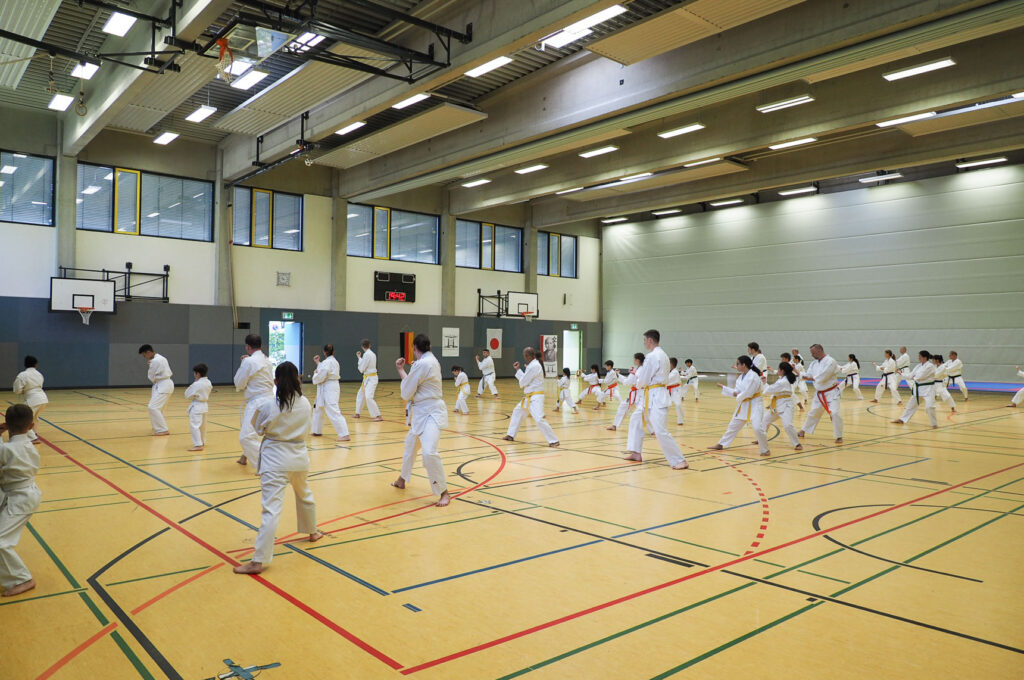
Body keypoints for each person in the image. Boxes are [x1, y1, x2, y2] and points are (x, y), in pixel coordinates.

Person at [233, 362, 323, 574]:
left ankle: (258, 561)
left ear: (275, 382)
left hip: (276, 461)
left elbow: (256, 428)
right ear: (298, 379)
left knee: (271, 510)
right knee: (305, 494)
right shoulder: (305, 403)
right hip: (299, 458)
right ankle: (312, 532)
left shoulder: (269, 405)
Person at [392, 335, 451, 506]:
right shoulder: (430, 361)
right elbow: (412, 385)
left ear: (414, 348)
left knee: (429, 452)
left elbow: (406, 392)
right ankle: (402, 479)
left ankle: (444, 492)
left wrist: (401, 370)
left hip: (431, 413)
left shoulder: (423, 364)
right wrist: (401, 369)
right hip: (421, 413)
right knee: (410, 446)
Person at [623, 330, 688, 469]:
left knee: (660, 430)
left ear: (650, 341)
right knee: (636, 419)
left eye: (645, 340)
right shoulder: (662, 354)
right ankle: (635, 452)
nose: (644, 343)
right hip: (650, 395)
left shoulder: (652, 356)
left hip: (656, 395)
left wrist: (638, 381)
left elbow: (645, 378)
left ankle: (679, 460)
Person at [0, 405, 41, 597]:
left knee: (0, 542)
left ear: (7, 424)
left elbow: (5, 453)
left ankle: (22, 579)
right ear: (31, 425)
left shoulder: (7, 450)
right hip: (23, 494)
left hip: (20, 499)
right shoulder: (27, 446)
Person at [503, 347, 560, 447]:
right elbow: (526, 380)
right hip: (530, 397)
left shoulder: (534, 366)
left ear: (527, 356)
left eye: (524, 355)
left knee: (538, 418)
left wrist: (518, 371)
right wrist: (518, 370)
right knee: (517, 411)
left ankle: (554, 440)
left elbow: (524, 381)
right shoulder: (533, 365)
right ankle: (511, 435)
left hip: (536, 397)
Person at [234, 334, 275, 467]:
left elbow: (239, 383)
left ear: (247, 346)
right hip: (270, 401)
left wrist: (243, 363)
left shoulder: (249, 362)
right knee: (254, 431)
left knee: (246, 437)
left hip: (257, 403)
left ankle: (264, 464)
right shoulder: (267, 360)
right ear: (260, 345)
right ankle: (244, 457)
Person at [710, 356, 765, 452]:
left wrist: (738, 396)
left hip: (755, 404)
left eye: (738, 364)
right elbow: (737, 391)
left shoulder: (753, 376)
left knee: (757, 427)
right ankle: (721, 444)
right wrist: (725, 388)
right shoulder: (741, 377)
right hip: (744, 404)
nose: (737, 366)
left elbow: (748, 392)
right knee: (733, 425)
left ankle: (765, 449)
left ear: (744, 365)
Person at [798, 344, 844, 443]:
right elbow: (808, 374)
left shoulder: (830, 361)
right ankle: (803, 430)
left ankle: (839, 436)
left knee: (835, 413)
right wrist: (797, 373)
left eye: (813, 353)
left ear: (820, 351)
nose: (812, 355)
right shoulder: (814, 363)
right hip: (819, 393)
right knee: (813, 412)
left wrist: (810, 378)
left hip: (832, 392)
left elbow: (823, 376)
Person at [757, 361, 803, 456]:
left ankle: (797, 443)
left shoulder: (783, 381)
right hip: (777, 405)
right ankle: (761, 439)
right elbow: (771, 390)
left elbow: (767, 391)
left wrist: (764, 383)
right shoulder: (782, 379)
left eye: (778, 369)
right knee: (765, 420)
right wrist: (765, 383)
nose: (777, 370)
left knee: (787, 425)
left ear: (782, 371)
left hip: (786, 406)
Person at [311, 344, 350, 443]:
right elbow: (324, 370)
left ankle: (344, 434)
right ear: (333, 352)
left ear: (324, 352)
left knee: (333, 409)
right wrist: (318, 363)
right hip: (327, 386)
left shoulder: (328, 362)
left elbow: (322, 375)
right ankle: (317, 431)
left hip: (329, 387)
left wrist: (315, 374)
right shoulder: (332, 362)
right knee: (318, 408)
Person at [892, 350, 938, 428]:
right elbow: (910, 375)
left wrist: (914, 377)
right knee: (910, 405)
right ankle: (902, 419)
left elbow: (920, 376)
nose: (918, 358)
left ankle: (934, 424)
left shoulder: (930, 366)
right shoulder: (918, 366)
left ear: (925, 357)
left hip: (928, 389)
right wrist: (901, 373)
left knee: (930, 407)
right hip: (919, 389)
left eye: (920, 356)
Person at [139, 344, 173, 436]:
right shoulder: (161, 358)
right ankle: (157, 427)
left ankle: (162, 429)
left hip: (163, 384)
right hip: (164, 383)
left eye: (144, 355)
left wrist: (151, 364)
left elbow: (151, 377)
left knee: (153, 407)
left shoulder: (155, 361)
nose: (145, 357)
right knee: (159, 408)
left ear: (148, 352)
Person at [12, 356, 47, 443]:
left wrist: (23, 390)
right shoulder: (39, 374)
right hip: (43, 399)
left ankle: (33, 438)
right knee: (35, 417)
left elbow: (16, 390)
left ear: (25, 364)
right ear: (36, 365)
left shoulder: (22, 375)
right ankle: (34, 433)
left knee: (24, 418)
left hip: (33, 399)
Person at [609, 354, 647, 431]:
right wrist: (619, 375)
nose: (633, 361)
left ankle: (614, 425)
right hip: (640, 393)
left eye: (634, 359)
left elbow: (627, 382)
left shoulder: (637, 371)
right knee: (643, 411)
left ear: (637, 360)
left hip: (636, 394)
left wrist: (618, 375)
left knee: (640, 411)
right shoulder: (643, 369)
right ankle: (653, 431)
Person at [184, 363, 212, 451]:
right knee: (203, 426)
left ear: (198, 374)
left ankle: (198, 445)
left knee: (195, 425)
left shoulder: (197, 384)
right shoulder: (208, 382)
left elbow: (187, 395)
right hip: (204, 405)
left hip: (197, 405)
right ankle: (202, 441)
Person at [355, 340, 382, 421]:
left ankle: (378, 415)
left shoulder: (367, 355)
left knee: (369, 397)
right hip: (368, 378)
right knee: (360, 394)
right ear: (369, 345)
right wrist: (359, 358)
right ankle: (357, 413)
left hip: (371, 378)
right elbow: (364, 364)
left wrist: (359, 359)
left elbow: (362, 369)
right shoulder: (372, 354)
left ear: (362, 346)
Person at [666, 357, 684, 425]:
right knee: (667, 405)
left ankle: (680, 420)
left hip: (676, 390)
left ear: (671, 364)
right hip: (669, 390)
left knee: (678, 404)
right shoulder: (669, 371)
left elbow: (667, 379)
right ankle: (662, 419)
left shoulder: (675, 372)